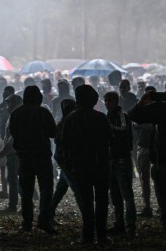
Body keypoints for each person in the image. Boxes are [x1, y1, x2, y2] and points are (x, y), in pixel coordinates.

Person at [128, 70, 166, 250]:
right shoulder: (161, 107)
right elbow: (133, 116)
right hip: (161, 164)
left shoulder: (163, 107)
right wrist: (142, 102)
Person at [59, 84, 111, 244]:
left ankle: (87, 235)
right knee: (102, 201)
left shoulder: (71, 118)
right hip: (100, 164)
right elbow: (109, 140)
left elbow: (64, 143)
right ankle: (101, 235)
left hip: (80, 165)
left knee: (86, 202)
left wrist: (68, 163)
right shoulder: (101, 118)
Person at [7, 85, 56, 232]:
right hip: (42, 156)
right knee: (46, 189)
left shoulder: (16, 113)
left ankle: (27, 222)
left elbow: (13, 132)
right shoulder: (43, 112)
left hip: (24, 156)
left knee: (26, 191)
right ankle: (44, 220)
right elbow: (53, 132)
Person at [105, 90, 137, 236]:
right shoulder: (110, 116)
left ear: (116, 101)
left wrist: (108, 128)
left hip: (121, 159)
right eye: (106, 101)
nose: (107, 103)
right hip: (112, 159)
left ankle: (130, 226)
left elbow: (123, 129)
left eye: (109, 101)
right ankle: (120, 225)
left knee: (126, 195)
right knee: (116, 195)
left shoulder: (120, 115)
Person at [48, 98, 78, 213]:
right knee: (77, 190)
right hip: (66, 161)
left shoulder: (64, 122)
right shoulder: (67, 122)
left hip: (64, 159)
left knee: (61, 188)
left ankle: (48, 213)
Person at [0, 85, 16, 200]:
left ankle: (14, 192)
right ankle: (5, 190)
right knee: (2, 165)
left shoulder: (16, 107)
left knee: (13, 167)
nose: (5, 96)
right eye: (4, 94)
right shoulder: (1, 106)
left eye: (8, 94)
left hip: (12, 139)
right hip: (2, 138)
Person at [137, 85, 159, 218]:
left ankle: (151, 206)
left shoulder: (159, 109)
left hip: (152, 146)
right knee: (145, 177)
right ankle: (149, 206)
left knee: (155, 177)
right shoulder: (144, 109)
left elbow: (135, 123)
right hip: (146, 145)